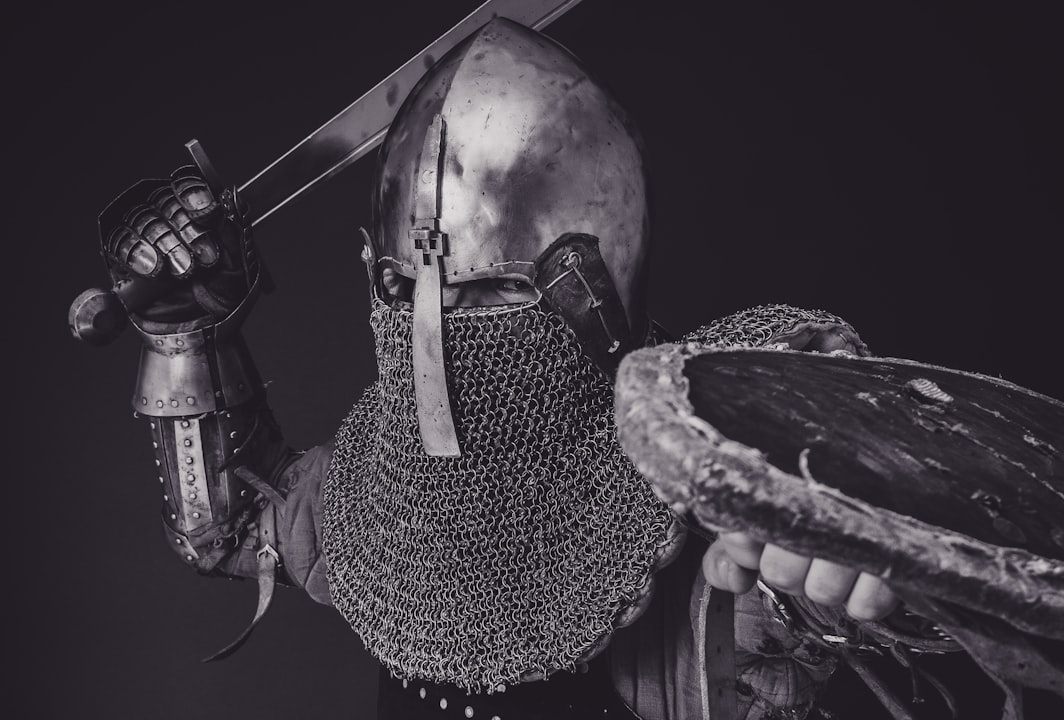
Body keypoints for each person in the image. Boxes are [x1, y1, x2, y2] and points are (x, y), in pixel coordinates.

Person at [89, 18, 981, 720]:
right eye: (406, 288)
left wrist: (861, 531)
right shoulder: (379, 497)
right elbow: (227, 526)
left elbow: (857, 561)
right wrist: (186, 338)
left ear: (591, 290)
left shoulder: (717, 473)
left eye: (490, 295)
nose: (436, 342)